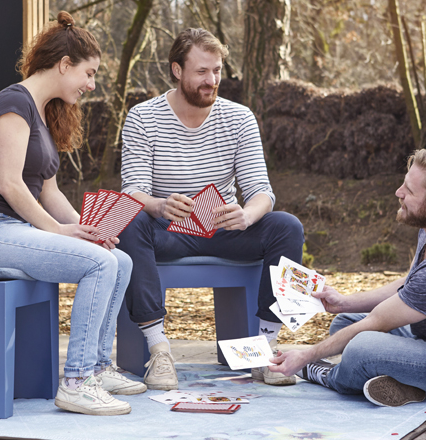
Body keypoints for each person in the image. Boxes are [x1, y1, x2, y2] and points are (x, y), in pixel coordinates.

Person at [0, 12, 145, 416]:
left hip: (11, 229)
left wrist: (87, 229)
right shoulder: (13, 102)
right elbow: (10, 184)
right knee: (97, 264)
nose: (91, 85)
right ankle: (76, 382)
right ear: (64, 65)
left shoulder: (42, 112)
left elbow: (49, 190)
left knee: (118, 259)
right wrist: (60, 231)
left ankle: (97, 366)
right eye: (88, 74)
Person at [117, 28, 305, 390]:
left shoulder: (239, 118)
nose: (212, 80)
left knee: (287, 226)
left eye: (217, 70)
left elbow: (262, 192)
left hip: (225, 230)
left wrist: (247, 214)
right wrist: (159, 204)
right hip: (167, 231)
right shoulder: (143, 117)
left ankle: (265, 352)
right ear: (176, 70)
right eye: (202, 71)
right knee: (131, 219)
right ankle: (159, 351)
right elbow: (134, 191)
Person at [269, 148, 426, 407]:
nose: (398, 192)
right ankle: (410, 384)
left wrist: (306, 357)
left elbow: (377, 321)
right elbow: (411, 284)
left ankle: (331, 376)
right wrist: (344, 302)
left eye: (409, 191)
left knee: (361, 348)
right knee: (345, 322)